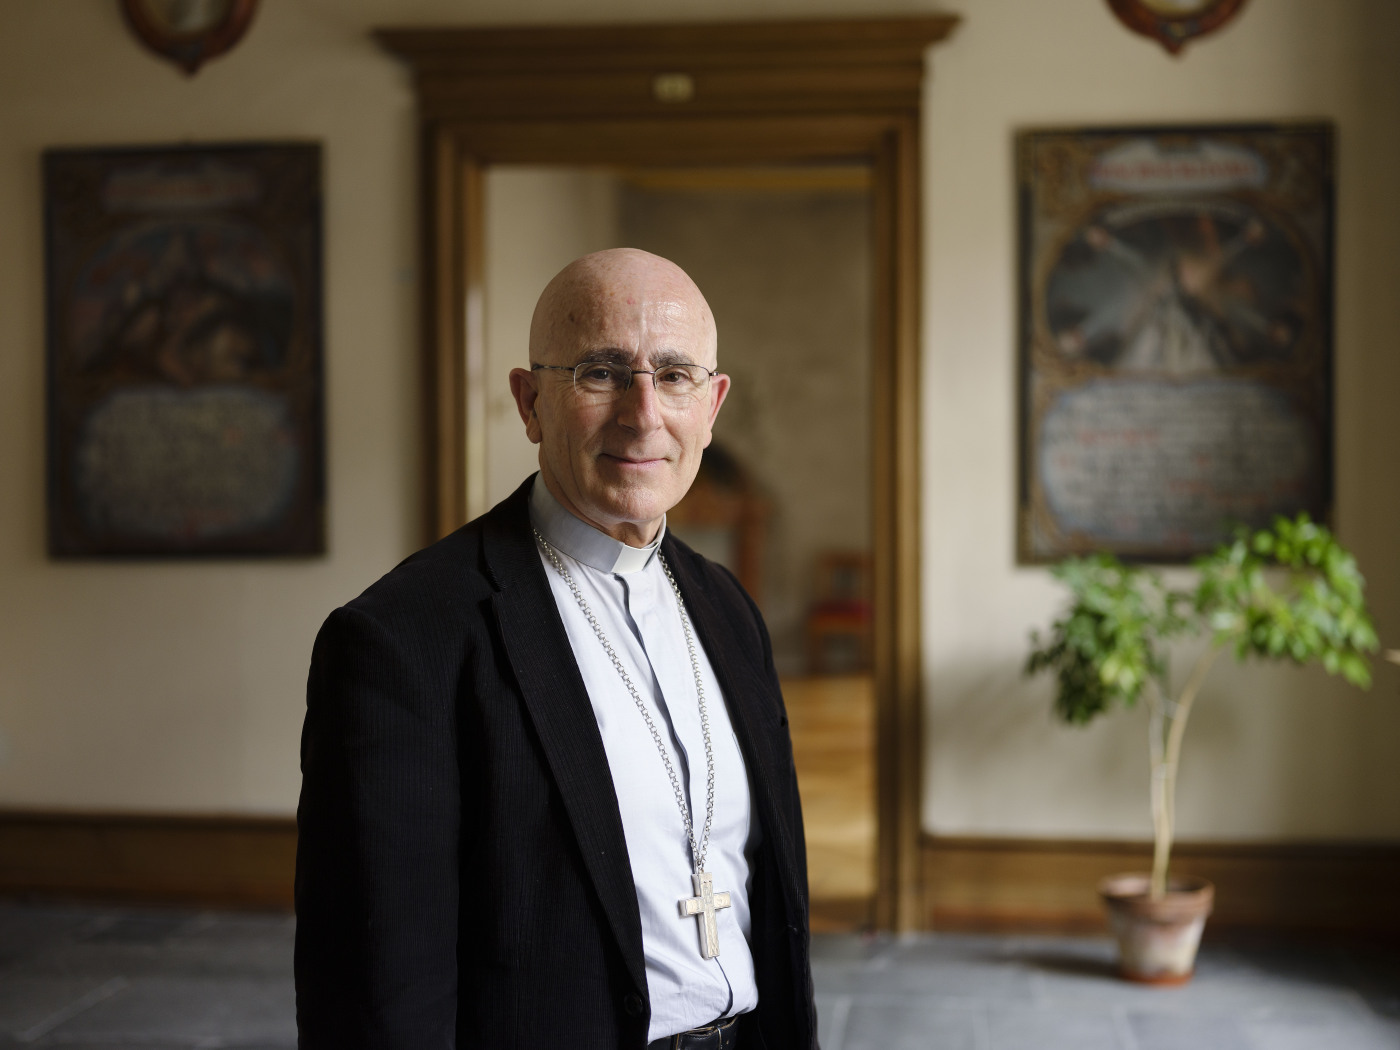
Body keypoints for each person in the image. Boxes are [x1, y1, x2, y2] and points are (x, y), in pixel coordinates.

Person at [294, 248, 817, 1050]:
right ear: (530, 401)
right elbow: (376, 985)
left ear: (712, 405)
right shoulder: (404, 641)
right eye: (601, 372)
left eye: (674, 375)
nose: (643, 414)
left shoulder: (728, 609)